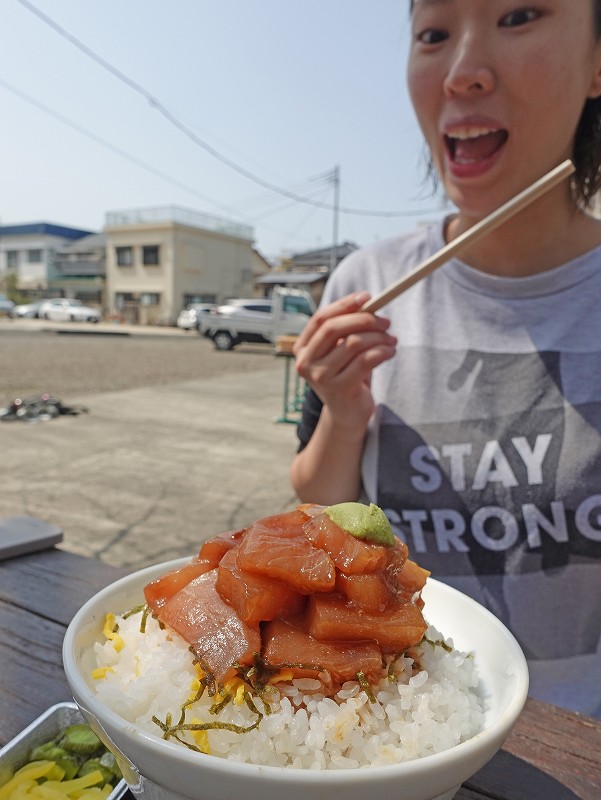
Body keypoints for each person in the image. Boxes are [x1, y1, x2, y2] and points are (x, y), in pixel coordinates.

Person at [291, 0, 601, 719]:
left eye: (518, 16)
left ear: (595, 63)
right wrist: (344, 413)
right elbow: (316, 512)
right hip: (397, 716)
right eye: (433, 34)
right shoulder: (362, 285)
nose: (461, 71)